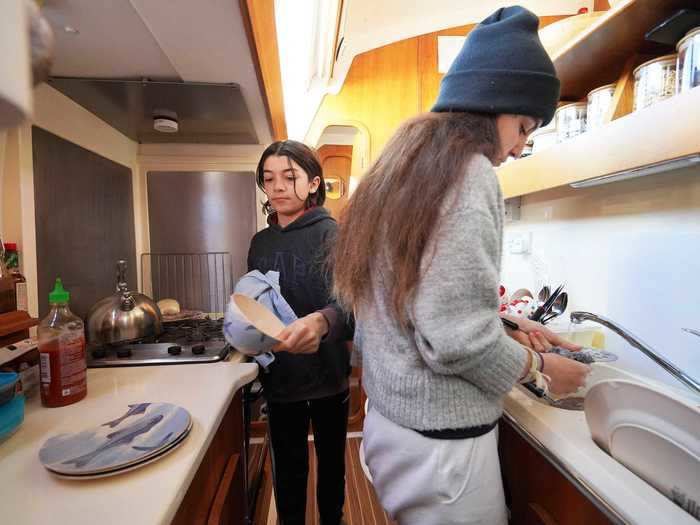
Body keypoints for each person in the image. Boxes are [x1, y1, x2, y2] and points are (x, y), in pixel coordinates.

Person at [331, 6, 589, 525]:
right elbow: (457, 338)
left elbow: (414, 301)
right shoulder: (470, 175)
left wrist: (511, 326)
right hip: (441, 453)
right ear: (492, 103)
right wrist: (543, 368)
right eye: (523, 126)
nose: (519, 148)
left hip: (391, 424)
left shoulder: (403, 163)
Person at [247, 140, 353, 525]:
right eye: (269, 178)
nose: (277, 187)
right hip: (280, 378)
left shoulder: (334, 235)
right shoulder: (260, 243)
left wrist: (323, 320)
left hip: (328, 376)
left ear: (313, 183)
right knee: (288, 471)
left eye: (289, 177)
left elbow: (352, 308)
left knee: (331, 466)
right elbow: (256, 303)